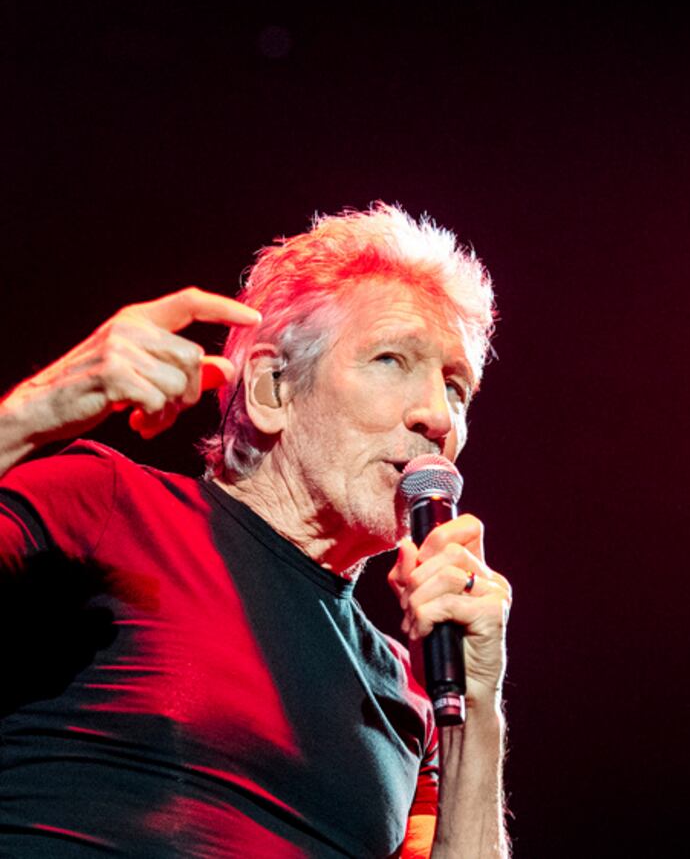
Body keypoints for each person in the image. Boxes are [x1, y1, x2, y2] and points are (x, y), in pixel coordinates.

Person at [0, 203, 511, 857]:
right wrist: (29, 416)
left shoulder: (409, 695)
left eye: (457, 386)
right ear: (273, 388)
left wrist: (475, 701)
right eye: (391, 358)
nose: (438, 416)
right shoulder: (105, 507)